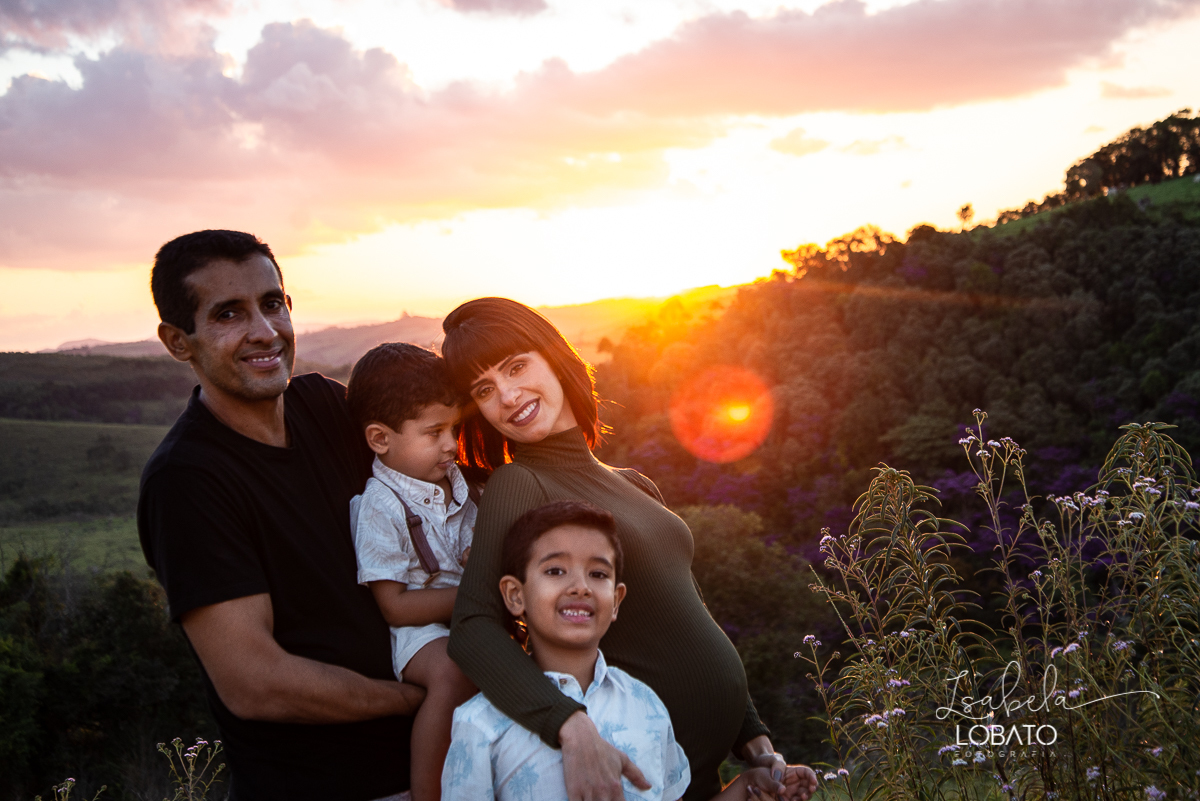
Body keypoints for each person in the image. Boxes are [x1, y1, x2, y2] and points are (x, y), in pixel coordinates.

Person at [442, 297, 819, 801]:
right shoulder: (521, 482)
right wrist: (571, 728)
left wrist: (756, 744)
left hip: (699, 777)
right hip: (628, 764)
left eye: (516, 366)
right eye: (484, 389)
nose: (508, 396)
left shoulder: (635, 483)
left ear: (554, 356)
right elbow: (472, 627)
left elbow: (684, 611)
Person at [138, 230, 423, 801]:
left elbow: (442, 467)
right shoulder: (188, 480)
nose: (264, 332)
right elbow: (256, 682)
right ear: (178, 341)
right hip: (329, 786)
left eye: (272, 304)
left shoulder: (326, 405)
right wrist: (424, 696)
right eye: (228, 314)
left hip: (440, 764)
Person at [443, 499, 786, 801]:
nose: (580, 587)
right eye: (556, 570)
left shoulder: (645, 704)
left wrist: (746, 788)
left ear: (617, 600)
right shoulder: (480, 724)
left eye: (597, 573)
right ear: (516, 596)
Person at [346, 343, 481, 801]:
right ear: (381, 439)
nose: (450, 444)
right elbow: (395, 606)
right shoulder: (380, 506)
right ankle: (428, 792)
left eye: (454, 428)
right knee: (450, 671)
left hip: (471, 617)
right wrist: (478, 591)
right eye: (434, 432)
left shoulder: (458, 484)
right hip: (421, 634)